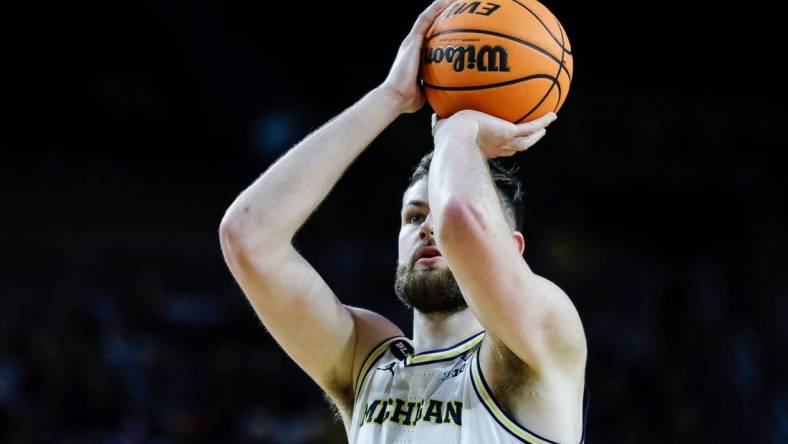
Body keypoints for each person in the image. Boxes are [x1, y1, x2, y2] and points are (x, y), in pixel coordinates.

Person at [219, 0, 587, 442]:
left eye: (432, 212)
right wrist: (390, 98)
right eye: (413, 216)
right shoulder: (364, 361)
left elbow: (461, 219)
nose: (427, 228)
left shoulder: (541, 341)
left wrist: (458, 130)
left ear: (514, 248)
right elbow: (247, 235)